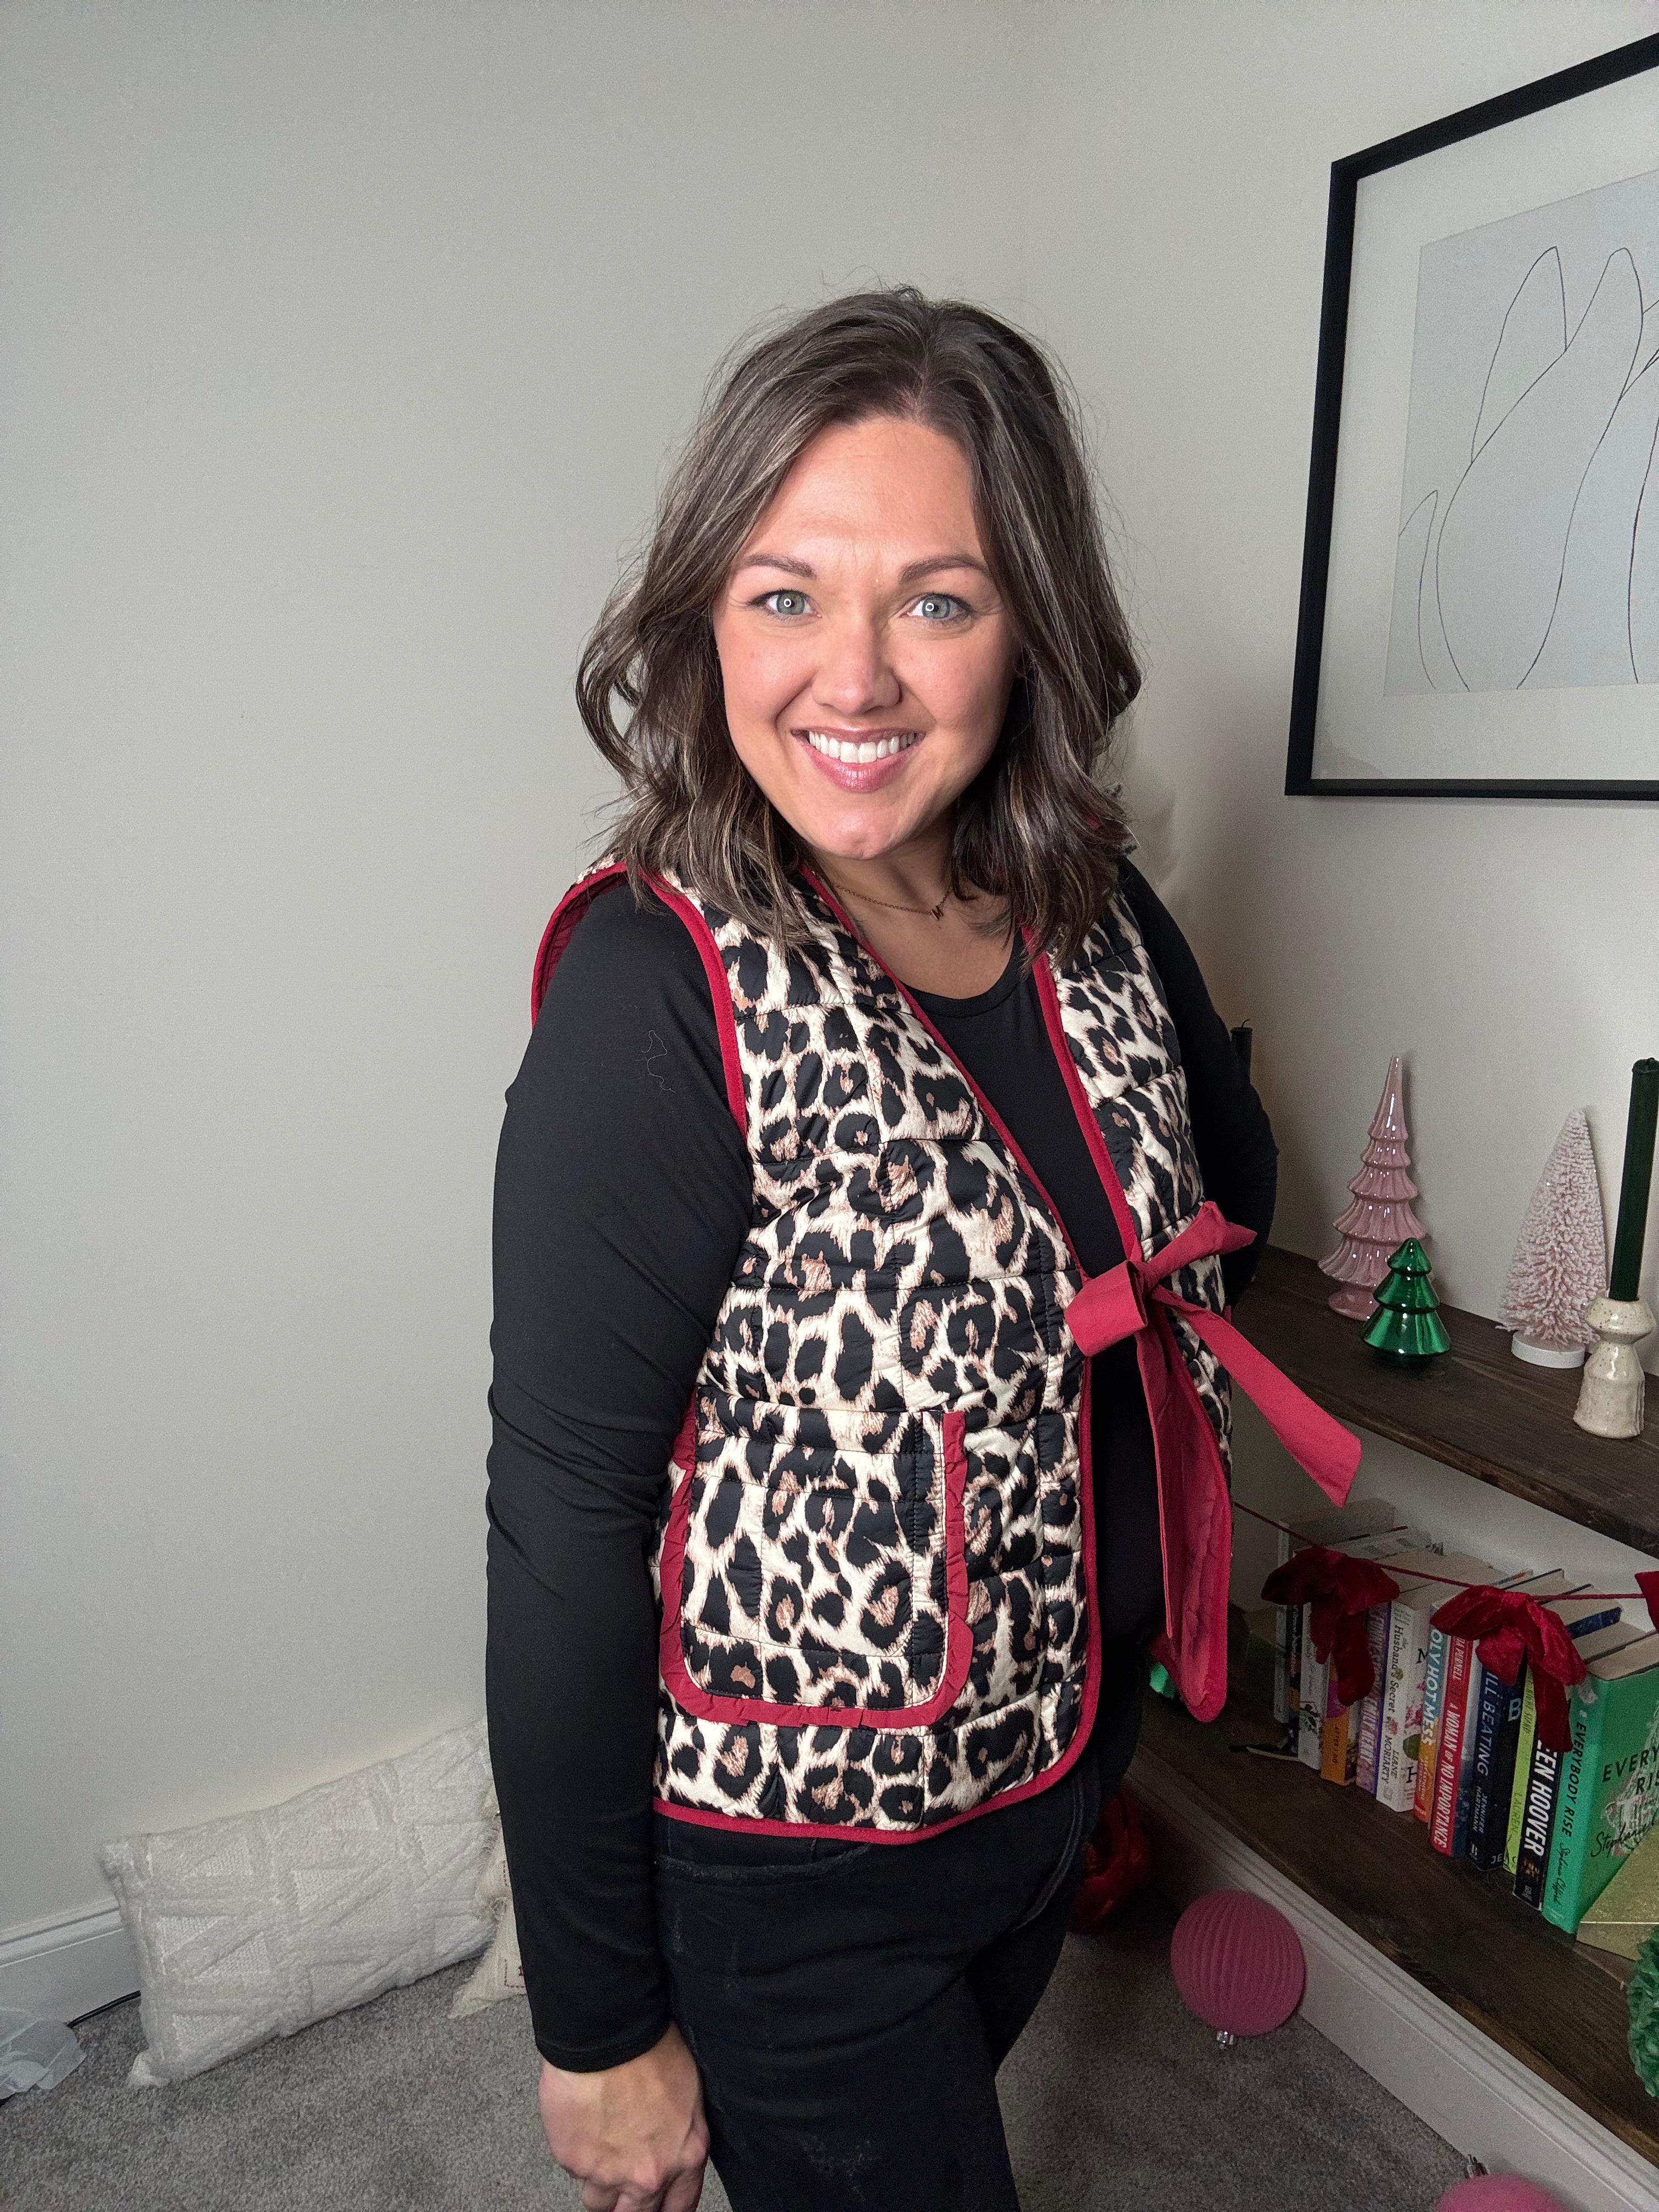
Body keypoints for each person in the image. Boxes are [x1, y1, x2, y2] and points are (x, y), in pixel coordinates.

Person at [485, 287, 1357, 2212]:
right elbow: (562, 1519)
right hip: (803, 1879)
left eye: (937, 601)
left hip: (1056, 1784)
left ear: (1028, 624)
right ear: (705, 612)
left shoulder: (1095, 907)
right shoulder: (656, 992)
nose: (853, 679)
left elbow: (1229, 1191)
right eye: (786, 594)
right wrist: (597, 2027)